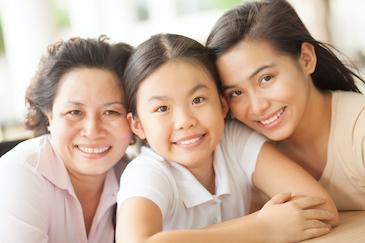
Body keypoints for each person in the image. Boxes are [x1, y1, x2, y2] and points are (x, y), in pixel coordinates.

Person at [116, 33, 338, 243]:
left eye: (198, 100)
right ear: (137, 125)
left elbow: (322, 209)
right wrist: (262, 228)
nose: (185, 121)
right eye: (162, 108)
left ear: (222, 105)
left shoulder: (233, 141)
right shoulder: (146, 172)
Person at [206, 0, 365, 211]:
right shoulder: (244, 150)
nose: (257, 106)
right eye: (236, 93)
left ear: (306, 59)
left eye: (266, 78)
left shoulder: (359, 131)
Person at [0, 36, 133, 243]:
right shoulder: (19, 174)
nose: (92, 130)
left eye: (111, 112)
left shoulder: (134, 174)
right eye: (74, 112)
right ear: (49, 116)